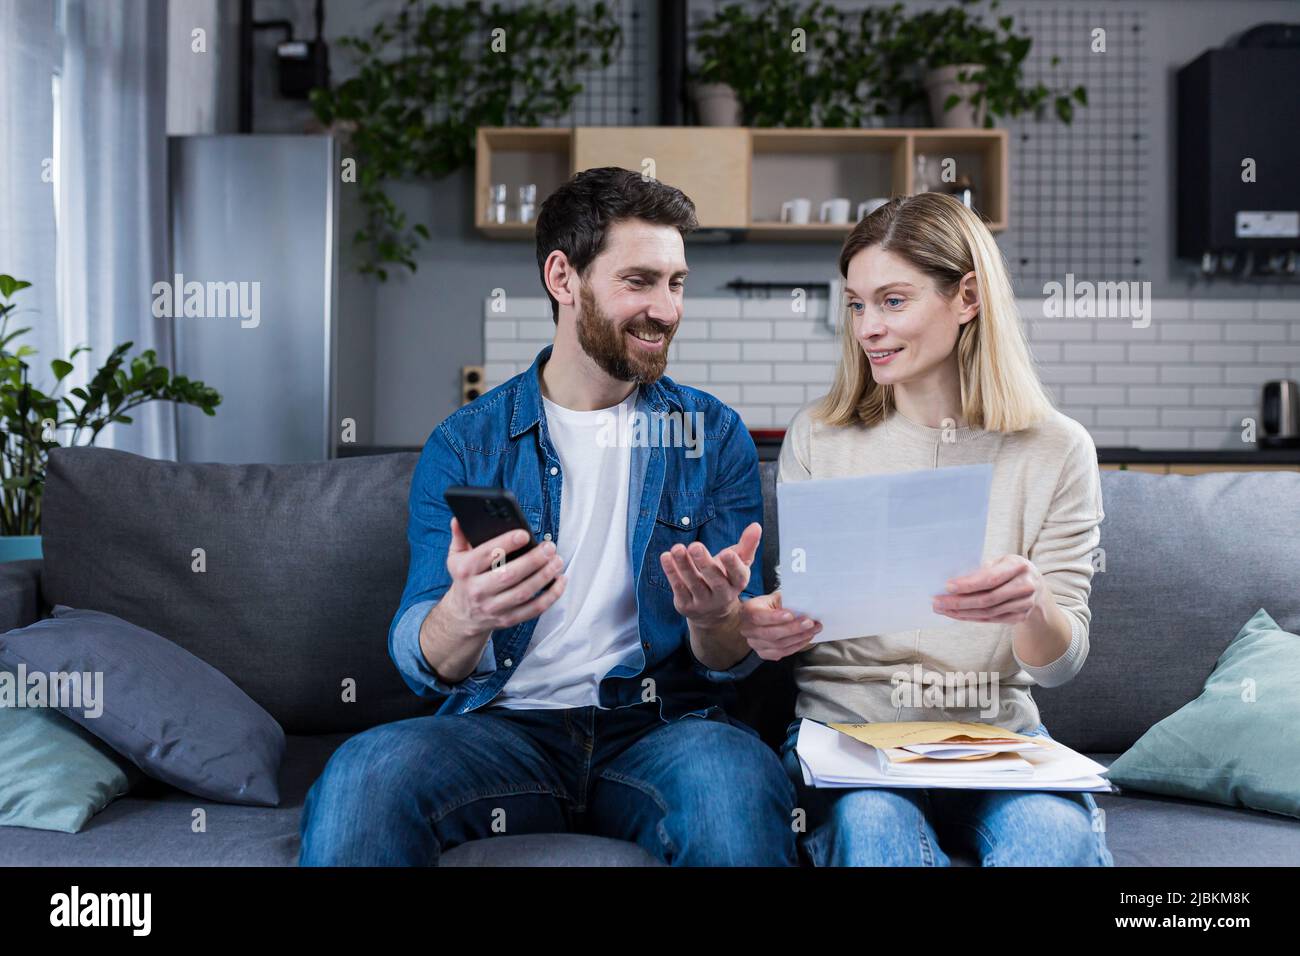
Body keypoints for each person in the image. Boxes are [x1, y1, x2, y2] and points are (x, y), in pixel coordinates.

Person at [299, 167, 797, 866]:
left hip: (660, 729)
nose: (666, 308)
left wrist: (716, 617)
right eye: (639, 281)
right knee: (364, 775)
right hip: (502, 729)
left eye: (676, 282)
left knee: (737, 784)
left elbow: (727, 663)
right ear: (564, 278)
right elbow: (422, 653)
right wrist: (466, 614)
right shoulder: (466, 442)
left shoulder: (711, 436)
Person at [741, 191, 1114, 867]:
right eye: (856, 304)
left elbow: (1060, 664)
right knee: (874, 832)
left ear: (966, 297)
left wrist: (1030, 606)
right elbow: (804, 607)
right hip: (855, 745)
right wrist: (765, 622)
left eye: (892, 300)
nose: (867, 328)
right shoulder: (820, 440)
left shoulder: (1056, 449)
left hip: (996, 746)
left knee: (1053, 843)